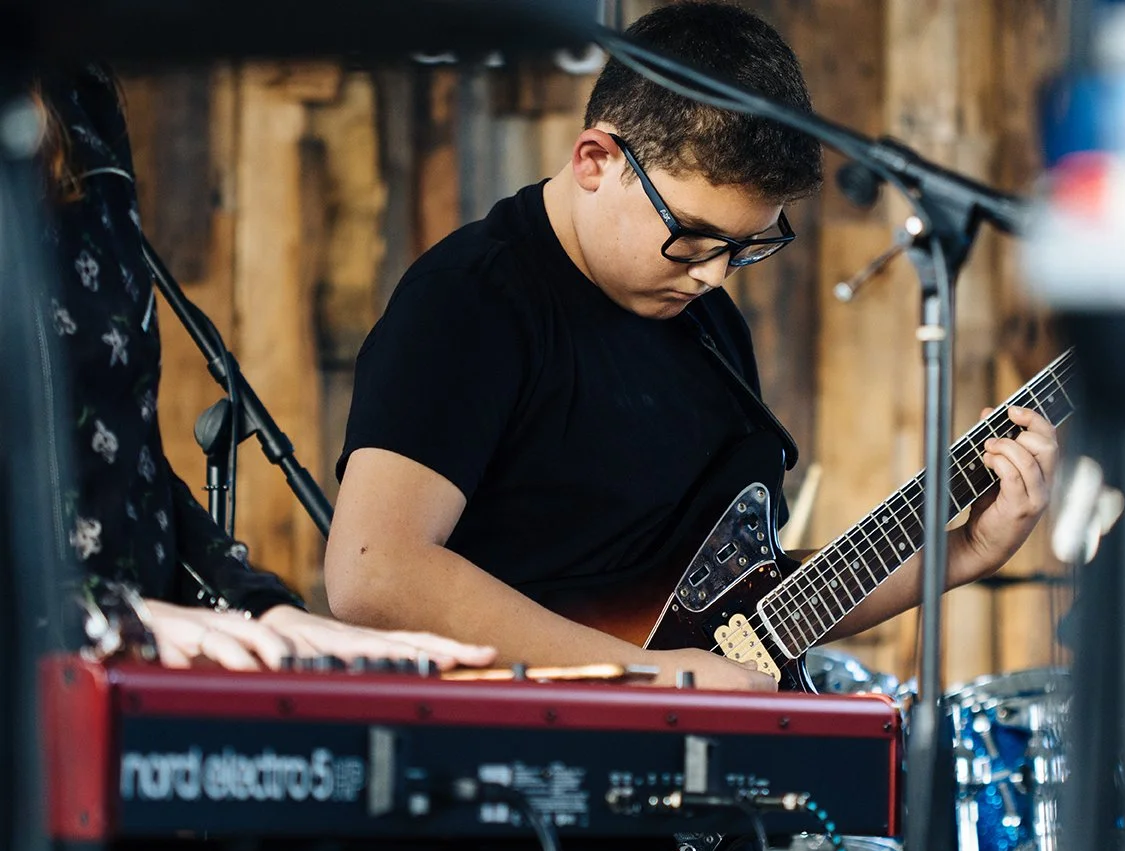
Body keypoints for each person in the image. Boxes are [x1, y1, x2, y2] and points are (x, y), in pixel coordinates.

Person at [325, 1, 1058, 691]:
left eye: (743, 246)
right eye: (692, 236)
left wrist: (963, 553)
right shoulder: (472, 300)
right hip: (528, 799)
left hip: (694, 797)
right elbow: (375, 571)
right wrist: (650, 679)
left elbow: (746, 621)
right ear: (594, 161)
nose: (711, 273)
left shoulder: (705, 323)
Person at [33, 64, 496, 672]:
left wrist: (260, 609)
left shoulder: (77, 92)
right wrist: (96, 617)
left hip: (102, 682)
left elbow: (116, 457)